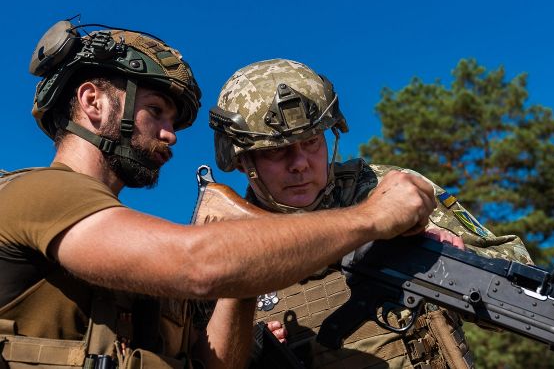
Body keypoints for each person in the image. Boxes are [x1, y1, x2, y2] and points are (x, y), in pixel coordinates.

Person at [0, 23, 437, 369]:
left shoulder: (122, 240)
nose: (170, 134)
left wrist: (244, 281)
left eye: (173, 119)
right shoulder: (40, 193)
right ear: (92, 101)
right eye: (155, 110)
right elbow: (199, 264)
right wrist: (374, 217)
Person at [210, 59, 534, 368]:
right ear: (242, 161)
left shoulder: (391, 193)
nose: (300, 163)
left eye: (311, 142)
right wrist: (247, 345)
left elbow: (526, 293)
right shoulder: (221, 248)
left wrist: (464, 267)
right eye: (277, 150)